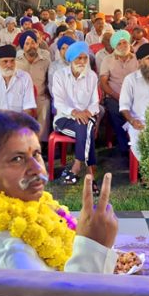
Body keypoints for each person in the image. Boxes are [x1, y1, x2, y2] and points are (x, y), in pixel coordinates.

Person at [0, 109, 118, 273]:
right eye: (17, 159)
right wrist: (93, 247)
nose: (37, 169)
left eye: (36, 154)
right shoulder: (11, 252)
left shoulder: (12, 209)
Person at [51, 42, 100, 193]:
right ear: (71, 59)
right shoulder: (59, 75)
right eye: (79, 58)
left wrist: (86, 112)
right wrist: (74, 112)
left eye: (85, 58)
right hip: (64, 118)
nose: (82, 62)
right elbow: (58, 102)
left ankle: (78, 167)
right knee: (87, 130)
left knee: (84, 127)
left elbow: (95, 103)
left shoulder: (91, 76)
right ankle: (87, 171)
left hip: (86, 117)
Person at [99, 30, 138, 156]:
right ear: (115, 47)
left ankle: (137, 144)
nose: (123, 46)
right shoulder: (107, 60)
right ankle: (124, 147)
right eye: (119, 44)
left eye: (125, 43)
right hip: (115, 96)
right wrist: (117, 96)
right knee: (117, 111)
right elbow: (103, 83)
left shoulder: (136, 59)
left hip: (135, 96)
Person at [0, 45, 36, 117]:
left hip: (19, 123)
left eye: (12, 61)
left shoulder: (25, 77)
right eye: (5, 61)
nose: (9, 65)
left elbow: (28, 108)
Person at [16, 30, 52, 141]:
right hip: (21, 98)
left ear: (37, 44)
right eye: (27, 44)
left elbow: (49, 80)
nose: (31, 46)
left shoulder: (45, 60)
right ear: (23, 47)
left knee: (45, 104)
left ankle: (41, 143)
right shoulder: (16, 62)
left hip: (40, 96)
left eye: (33, 43)